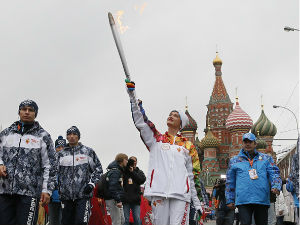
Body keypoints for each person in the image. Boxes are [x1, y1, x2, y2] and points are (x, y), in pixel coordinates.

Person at [125, 80, 203, 225]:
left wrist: (198, 203)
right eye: (170, 114)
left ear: (181, 123)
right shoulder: (157, 140)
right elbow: (142, 123)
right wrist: (132, 96)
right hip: (158, 192)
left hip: (181, 195)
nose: (171, 116)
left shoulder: (188, 146)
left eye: (175, 115)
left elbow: (193, 177)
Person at [0, 99, 57, 225]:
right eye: (23, 109)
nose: (27, 112)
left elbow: (50, 165)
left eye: (30, 110)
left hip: (29, 193)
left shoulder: (43, 136)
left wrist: (47, 190)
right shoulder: (5, 134)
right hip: (5, 191)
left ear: (35, 114)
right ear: (19, 112)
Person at [225, 132, 282, 225]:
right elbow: (230, 181)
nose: (248, 144)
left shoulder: (266, 159)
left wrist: (276, 185)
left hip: (261, 198)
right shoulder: (234, 161)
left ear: (255, 144)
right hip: (243, 200)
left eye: (250, 142)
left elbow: (274, 173)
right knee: (245, 223)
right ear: (242, 144)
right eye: (245, 142)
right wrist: (230, 199)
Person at [58, 126, 103, 225]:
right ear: (67, 137)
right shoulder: (61, 154)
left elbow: (98, 169)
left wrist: (91, 184)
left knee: (81, 222)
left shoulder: (88, 151)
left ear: (78, 136)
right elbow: (53, 173)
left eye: (75, 134)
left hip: (83, 195)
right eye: (69, 134)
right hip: (66, 196)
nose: (72, 136)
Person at [105, 153, 128, 225]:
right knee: (117, 222)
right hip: (113, 199)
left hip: (115, 199)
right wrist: (118, 200)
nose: (127, 161)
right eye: (126, 159)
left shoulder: (117, 170)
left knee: (121, 221)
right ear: (122, 160)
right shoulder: (115, 171)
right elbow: (113, 187)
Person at [123, 156, 146, 225]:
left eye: (134, 161)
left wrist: (133, 172)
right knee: (125, 220)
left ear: (136, 162)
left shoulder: (139, 171)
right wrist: (127, 170)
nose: (133, 162)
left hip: (135, 199)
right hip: (125, 199)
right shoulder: (124, 171)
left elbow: (141, 180)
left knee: (137, 219)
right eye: (131, 161)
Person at [48, 136, 66, 225]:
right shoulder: (50, 161)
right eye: (58, 147)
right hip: (53, 199)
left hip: (67, 199)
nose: (61, 149)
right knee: (54, 222)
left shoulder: (71, 160)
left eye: (63, 147)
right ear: (55, 149)